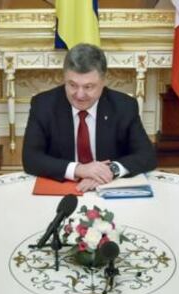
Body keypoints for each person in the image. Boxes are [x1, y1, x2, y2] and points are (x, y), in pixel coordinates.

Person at [22, 43, 156, 192]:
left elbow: (147, 155)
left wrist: (110, 170)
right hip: (61, 191)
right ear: (64, 77)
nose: (79, 95)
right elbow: (31, 158)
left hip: (108, 189)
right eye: (72, 85)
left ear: (104, 81)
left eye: (88, 87)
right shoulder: (43, 105)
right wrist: (80, 170)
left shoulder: (124, 106)